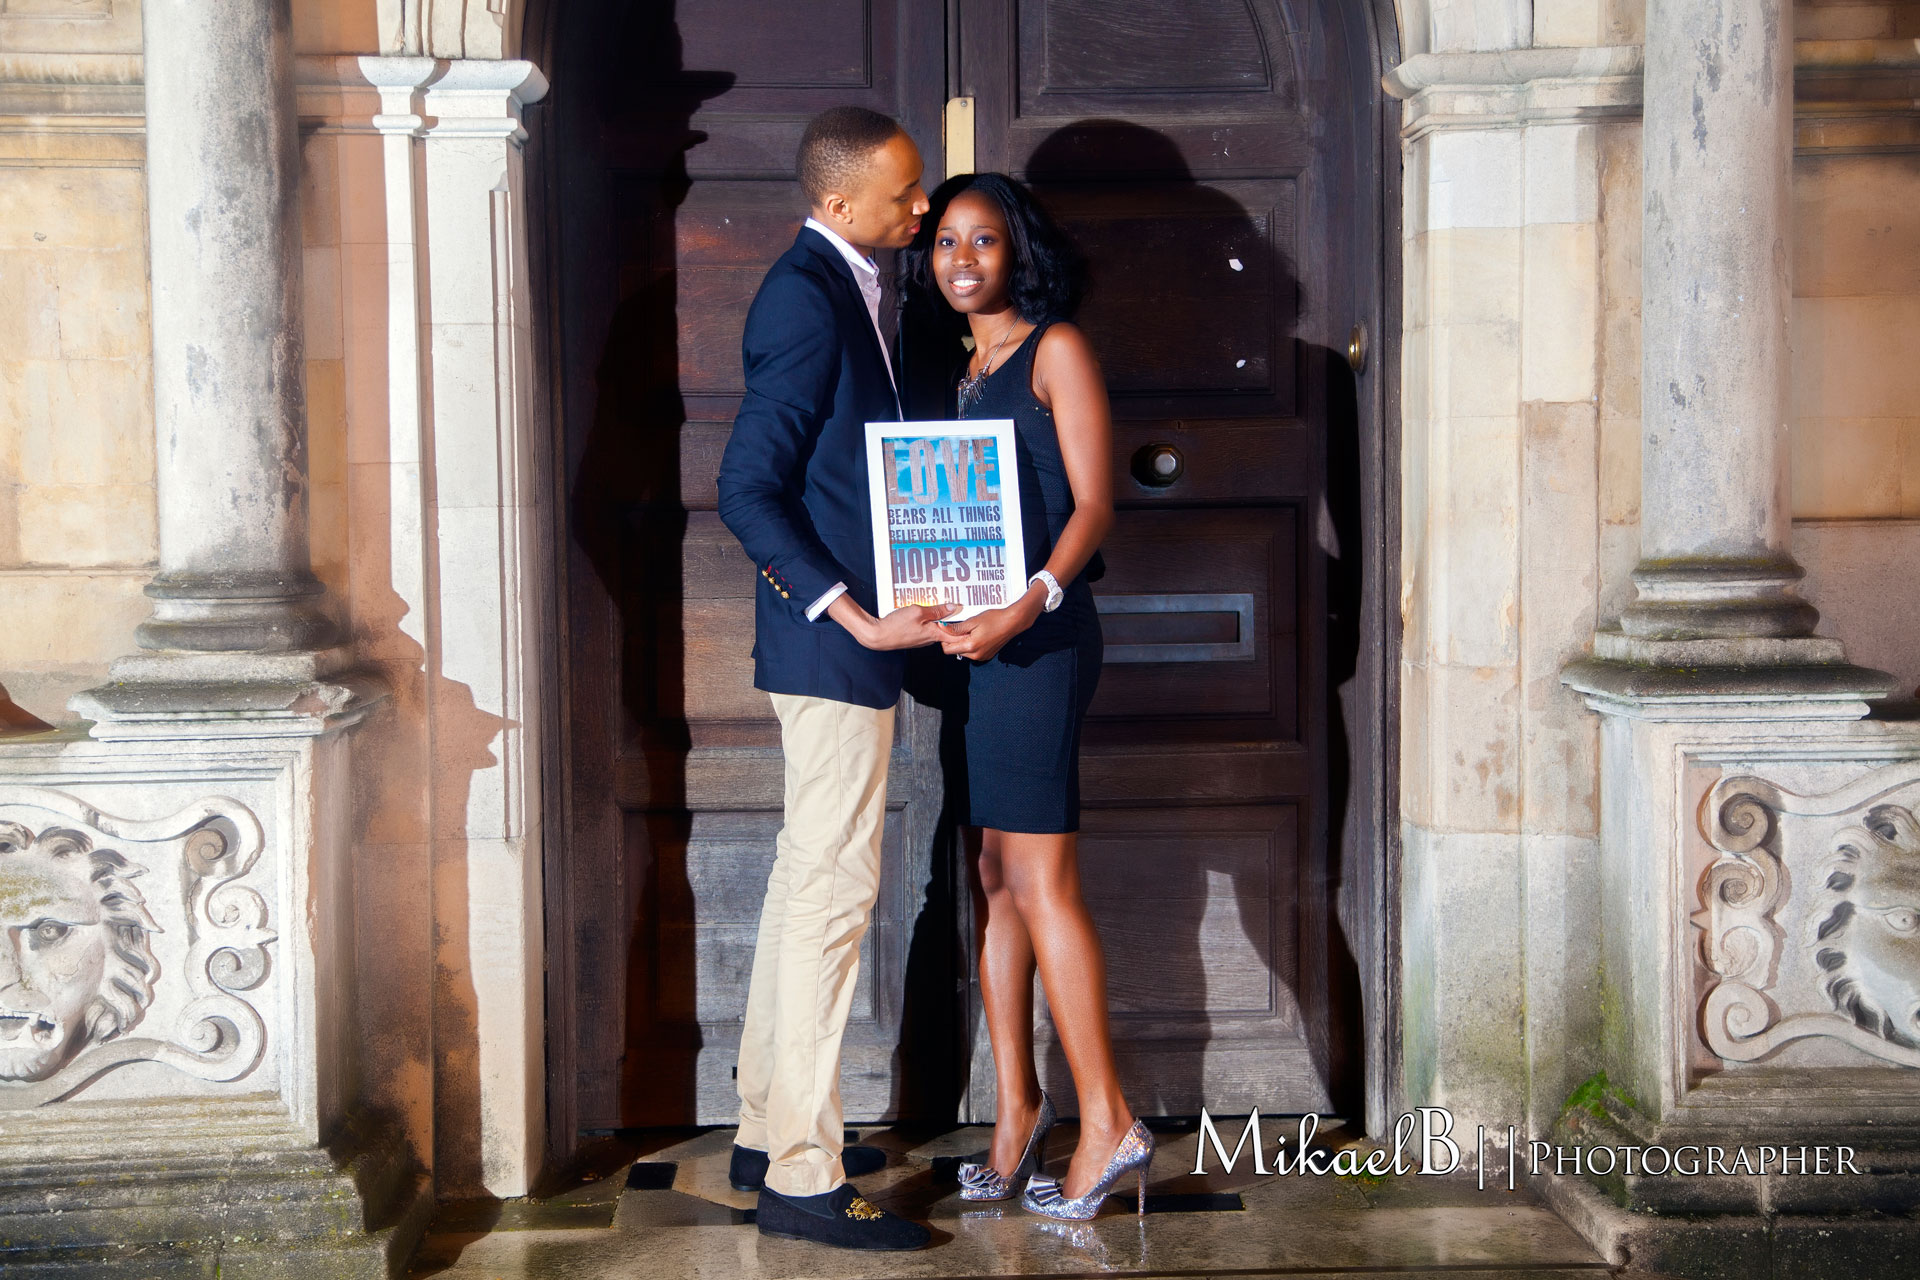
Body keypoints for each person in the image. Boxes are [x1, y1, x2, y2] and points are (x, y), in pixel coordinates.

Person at [715, 106, 950, 1251]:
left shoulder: (857, 285)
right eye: (906, 195)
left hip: (840, 645)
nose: (925, 208)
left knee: (807, 880)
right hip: (829, 645)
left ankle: (765, 1128)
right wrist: (851, 609)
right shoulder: (806, 298)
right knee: (831, 895)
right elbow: (747, 486)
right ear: (842, 201)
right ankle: (803, 1176)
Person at [901, 173, 1153, 1220]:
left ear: (1020, 253)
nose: (963, 259)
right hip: (979, 649)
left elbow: (1096, 502)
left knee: (1041, 880)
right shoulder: (963, 368)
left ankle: (1109, 1119)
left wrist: (1027, 604)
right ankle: (1016, 1112)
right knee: (994, 876)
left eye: (985, 241)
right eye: (948, 242)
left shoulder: (1057, 349)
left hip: (1042, 644)